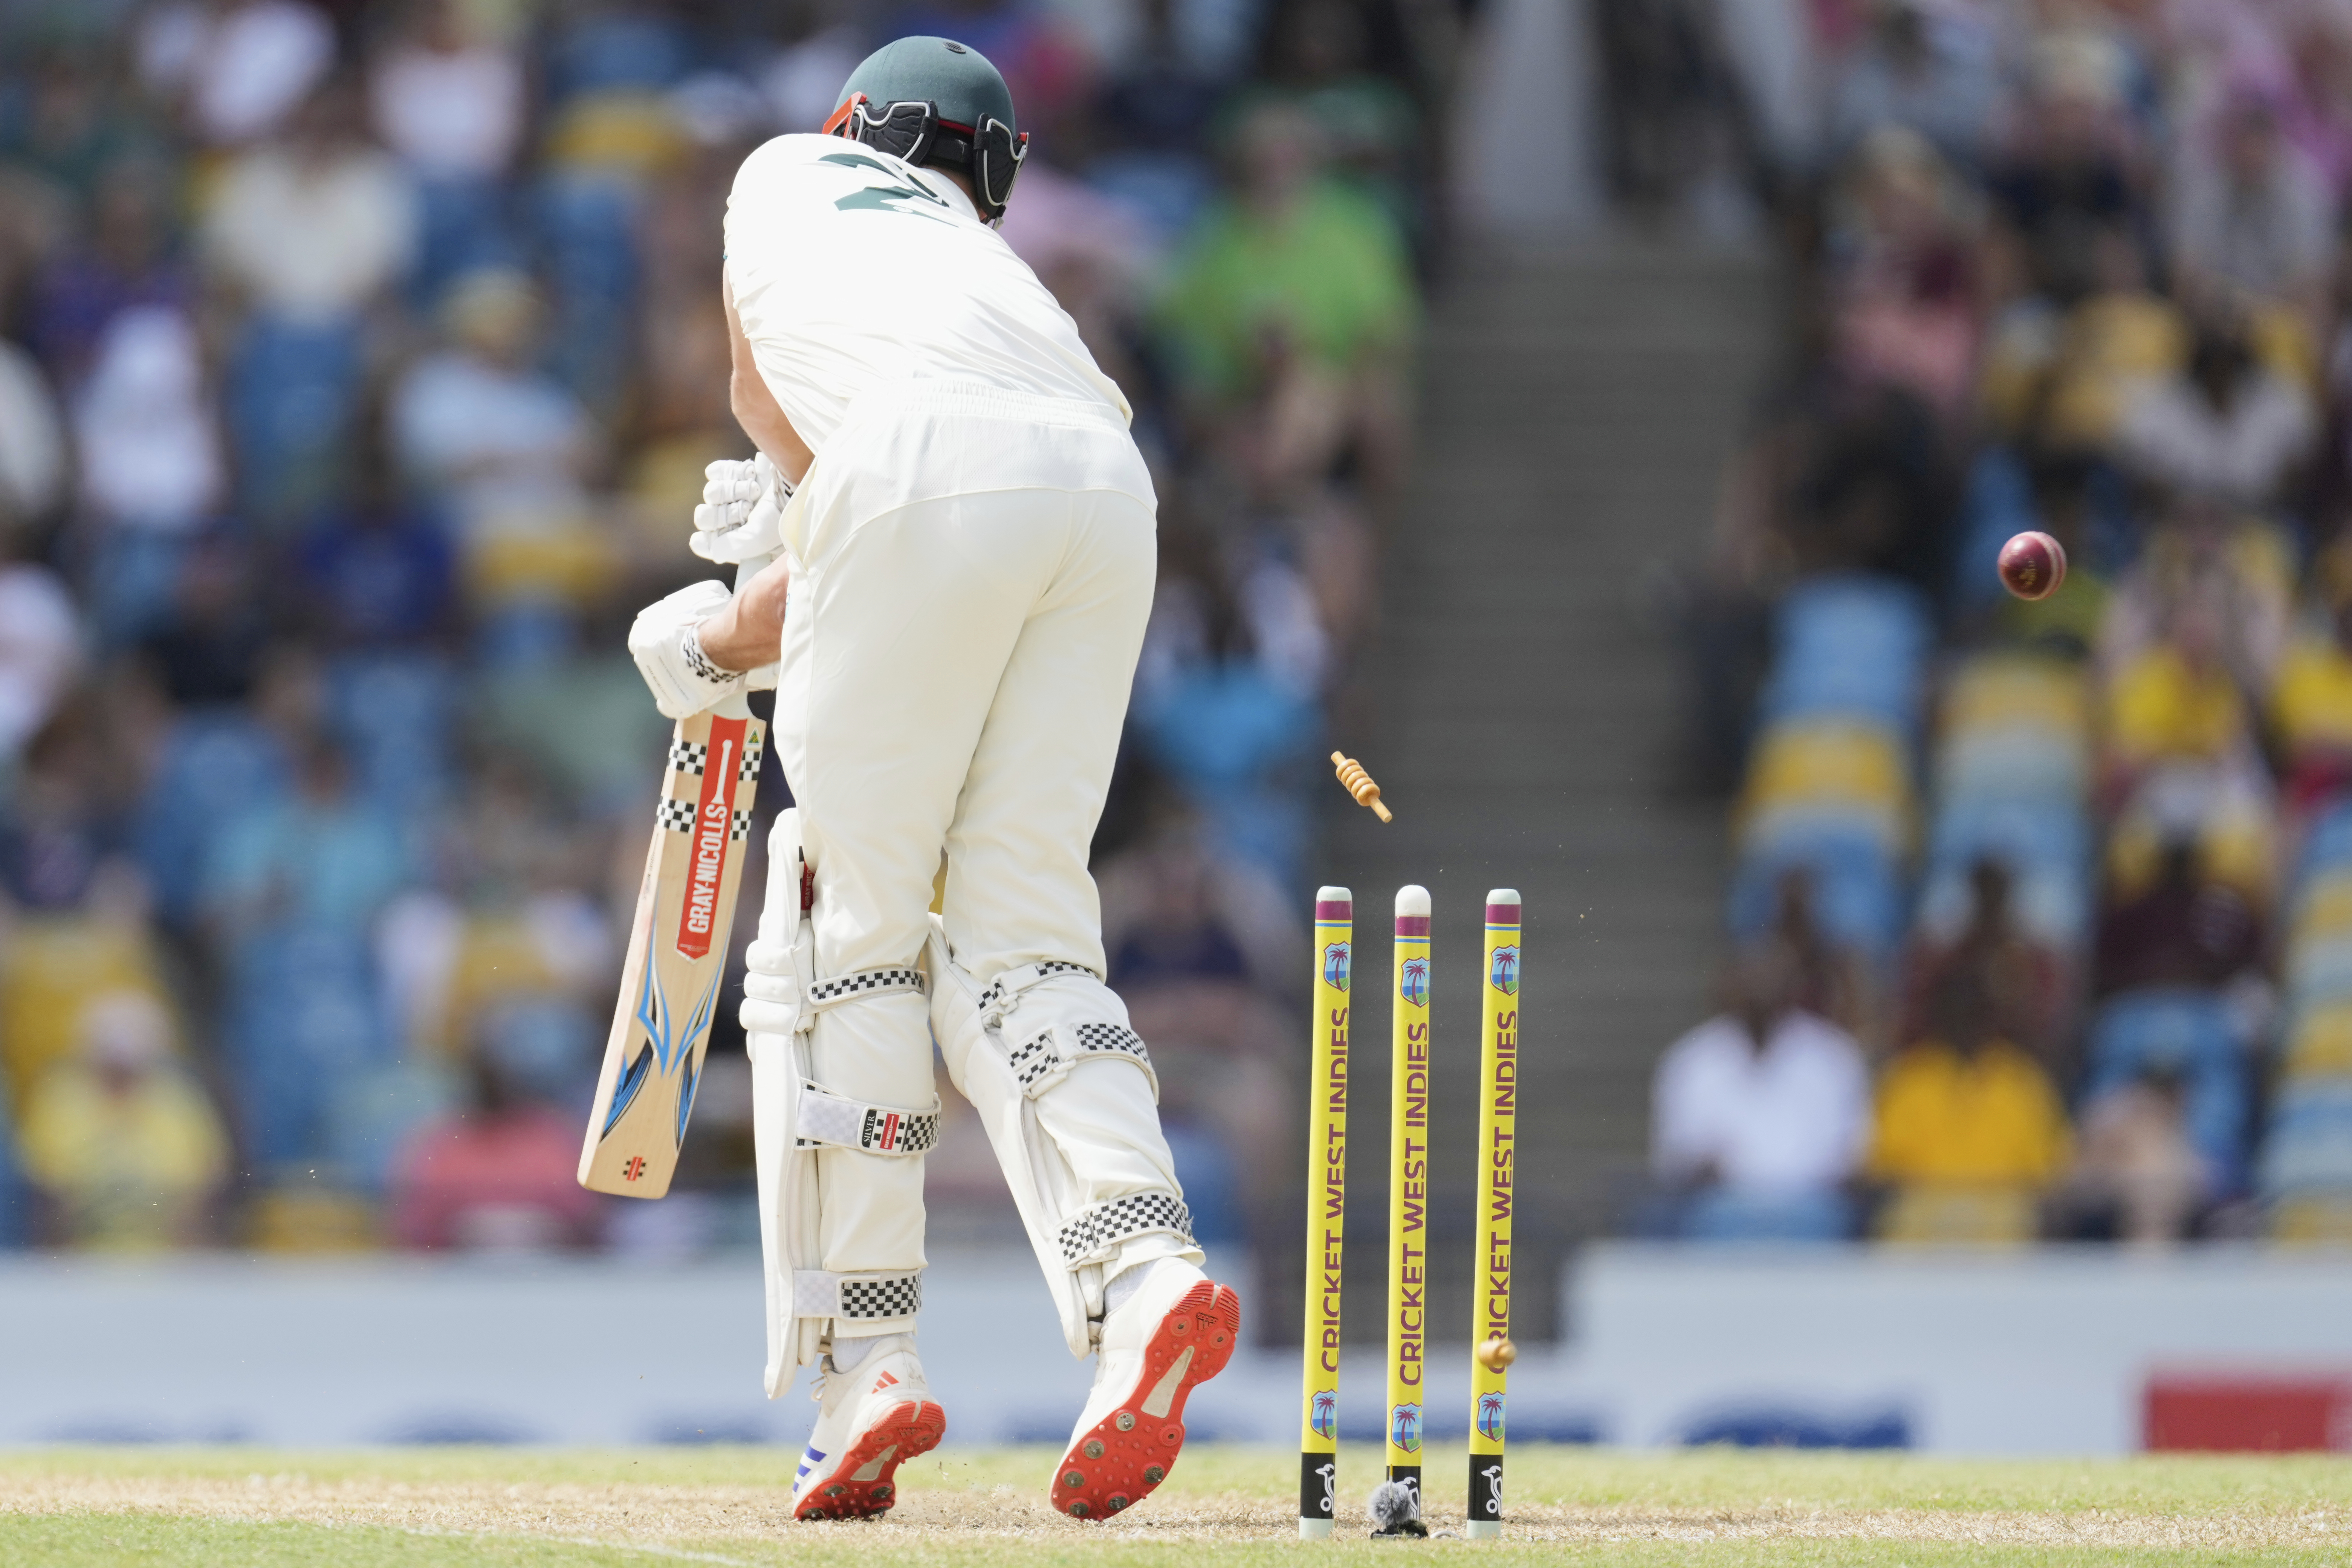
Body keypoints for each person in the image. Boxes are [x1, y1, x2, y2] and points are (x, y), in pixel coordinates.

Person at [622, 38, 1236, 1524]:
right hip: (1102, 485)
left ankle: (864, 1374)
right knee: (1021, 925)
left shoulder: (780, 173)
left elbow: (798, 437)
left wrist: (703, 631)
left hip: (921, 480)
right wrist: (797, 554)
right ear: (989, 178)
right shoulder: (1002, 283)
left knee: (842, 932)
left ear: (854, 128)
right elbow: (893, 510)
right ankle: (1147, 1268)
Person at [1650, 940, 1872, 1240]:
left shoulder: (1832, 1056)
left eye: (1771, 978)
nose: (1760, 989)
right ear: (1728, 986)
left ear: (1793, 987)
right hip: (1724, 1211)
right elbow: (1675, 1159)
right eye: (1750, 979)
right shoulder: (1692, 1061)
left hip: (1810, 1209)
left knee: (1824, 1217)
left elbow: (1851, 1155)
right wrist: (1704, 1170)